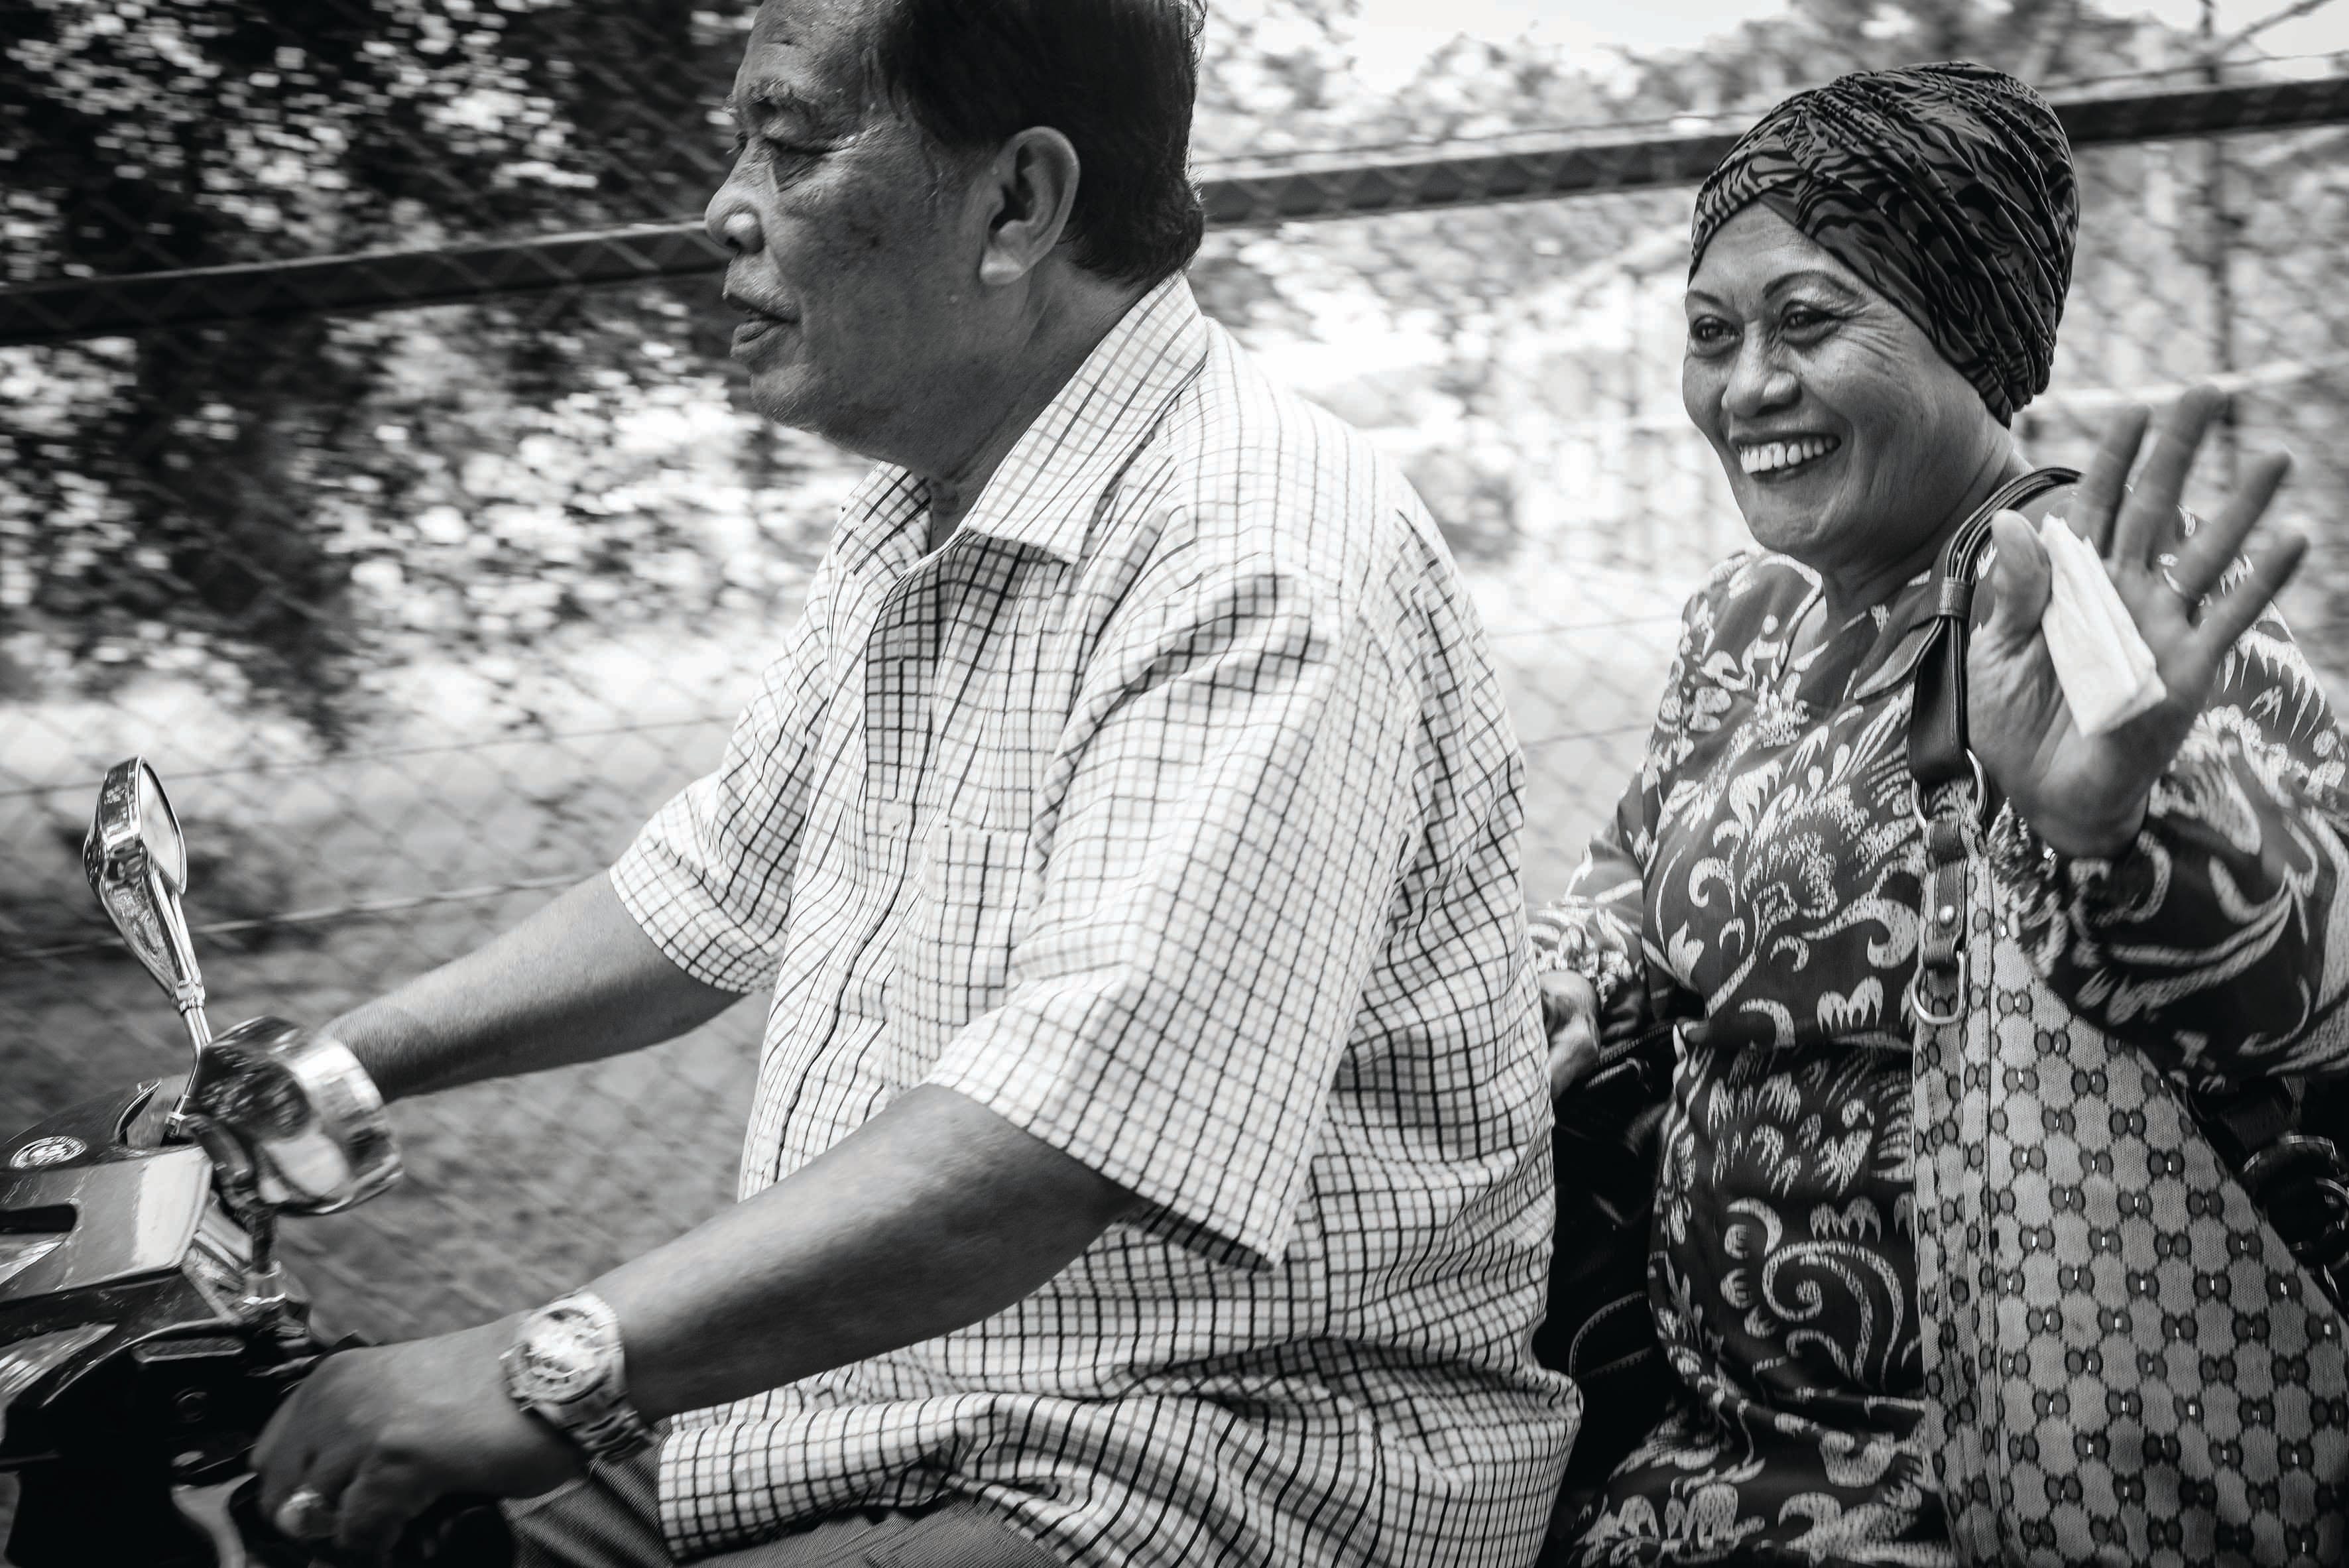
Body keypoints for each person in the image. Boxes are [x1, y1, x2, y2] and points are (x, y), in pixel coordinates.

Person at [244, 1, 1575, 1565]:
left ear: (1015, 205)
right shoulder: (926, 512)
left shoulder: (1259, 553)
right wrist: (330, 1075)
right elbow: (701, 898)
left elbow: (1043, 1153)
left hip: (1208, 1456)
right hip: (887, 1404)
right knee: (309, 1516)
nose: (722, 204)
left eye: (791, 142)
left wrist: (548, 1365)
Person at [1532, 62, 2349, 1565]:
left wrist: (2120, 829)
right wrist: (1569, 975)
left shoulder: (2081, 601)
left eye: (1808, 320)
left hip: (1980, 1485)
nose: (1745, 387)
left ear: (1966, 332)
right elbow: (1632, 876)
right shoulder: (1744, 624)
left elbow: (2303, 973)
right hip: (1689, 1468)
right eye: (1710, 336)